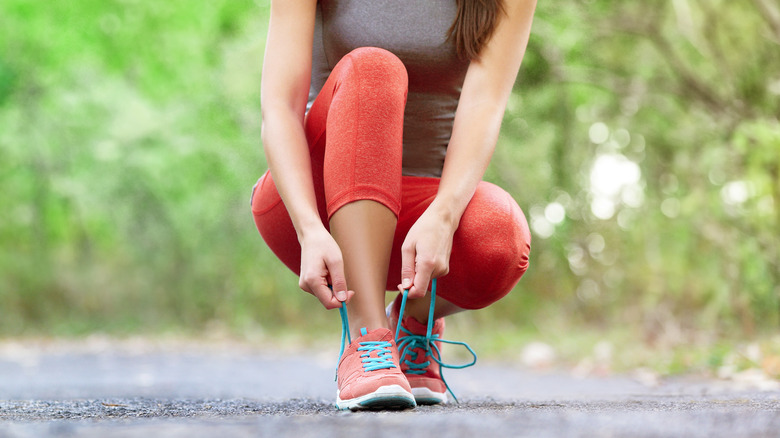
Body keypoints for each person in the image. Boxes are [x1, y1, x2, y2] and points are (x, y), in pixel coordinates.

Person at [251, 0, 535, 411]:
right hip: (313, 203)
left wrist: (444, 214)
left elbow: (484, 104)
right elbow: (279, 107)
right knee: (373, 67)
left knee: (501, 237)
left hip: (421, 211)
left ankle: (412, 321)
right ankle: (367, 339)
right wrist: (308, 226)